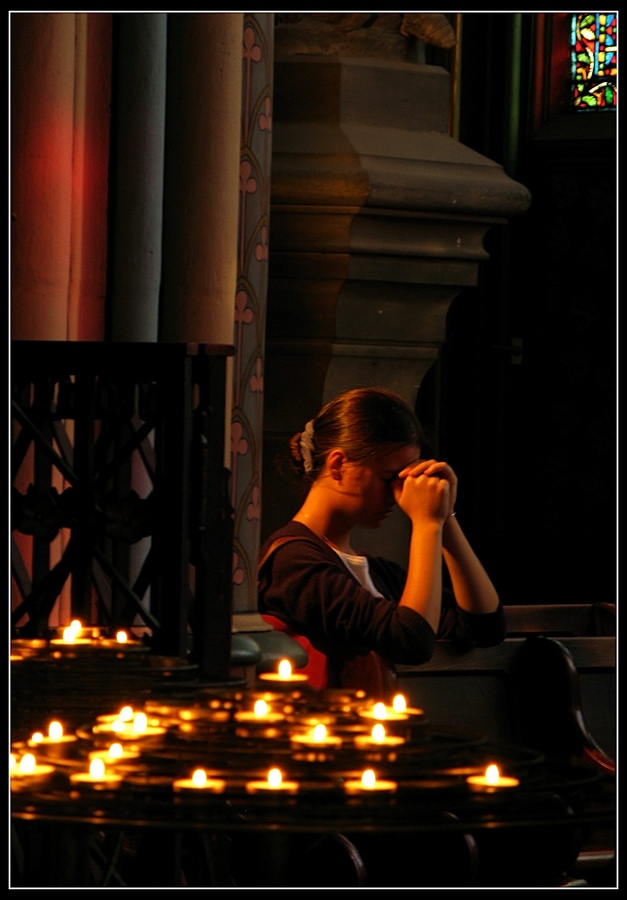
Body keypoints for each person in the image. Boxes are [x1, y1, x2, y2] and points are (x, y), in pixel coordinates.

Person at [258, 386, 505, 696]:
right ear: (338, 465)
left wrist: (446, 516)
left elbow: (484, 628)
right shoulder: (292, 562)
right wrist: (427, 524)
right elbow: (411, 642)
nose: (398, 494)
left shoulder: (377, 572)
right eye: (390, 478)